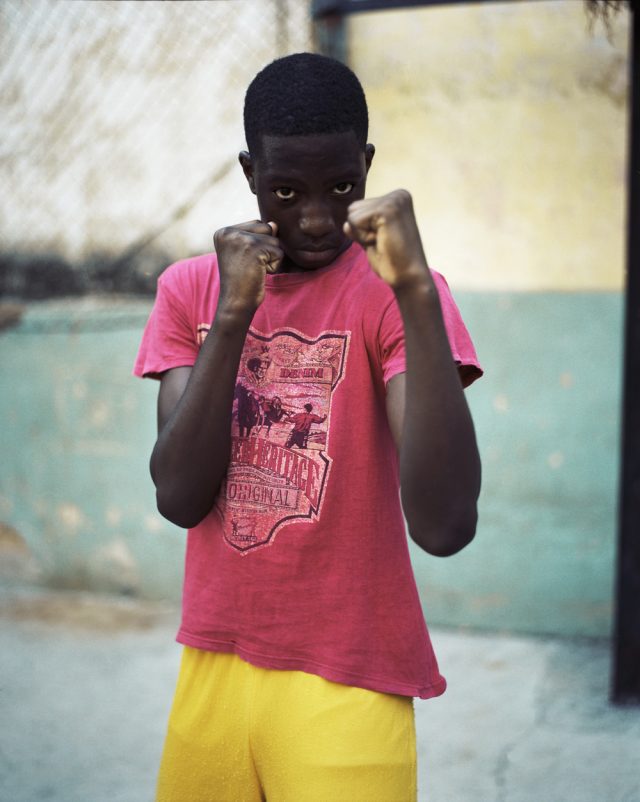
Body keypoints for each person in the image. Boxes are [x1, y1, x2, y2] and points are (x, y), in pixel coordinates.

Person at [134, 52, 482, 802]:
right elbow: (179, 496)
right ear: (249, 172)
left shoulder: (395, 297)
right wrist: (231, 316)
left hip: (350, 677)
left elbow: (446, 523)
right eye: (285, 190)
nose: (318, 217)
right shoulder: (192, 290)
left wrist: (417, 289)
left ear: (369, 166)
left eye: (343, 187)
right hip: (214, 662)